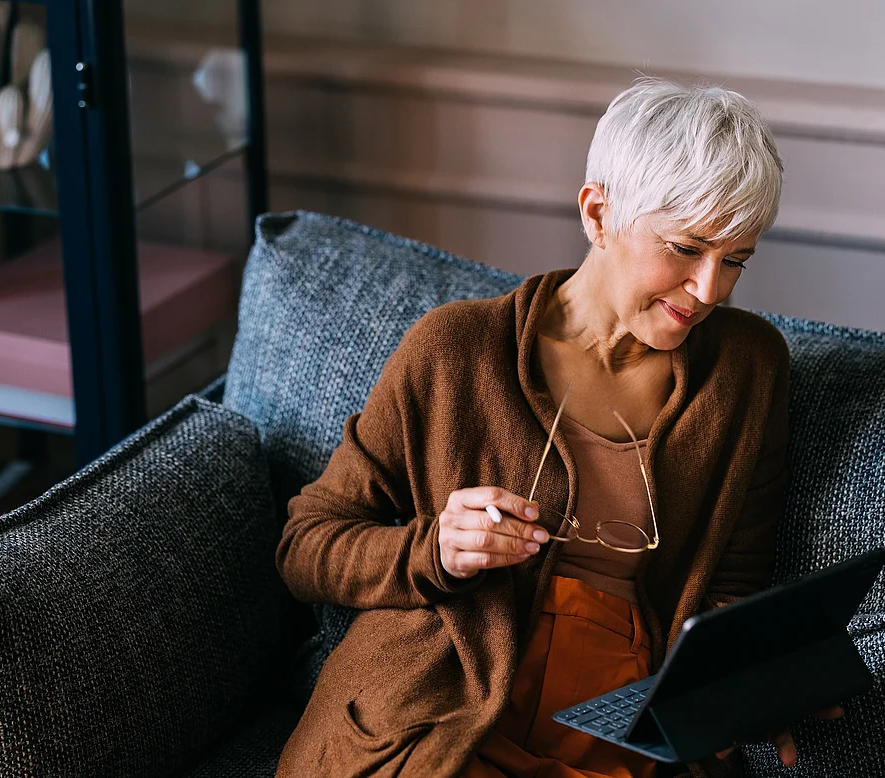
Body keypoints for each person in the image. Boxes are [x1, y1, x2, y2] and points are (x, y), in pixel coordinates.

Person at [274, 76, 837, 778]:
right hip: (441, 708)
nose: (709, 290)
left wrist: (744, 682)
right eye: (687, 248)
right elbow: (306, 545)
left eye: (737, 260)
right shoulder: (454, 351)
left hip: (621, 722)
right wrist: (437, 550)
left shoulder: (747, 371)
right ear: (599, 214)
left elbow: (731, 579)